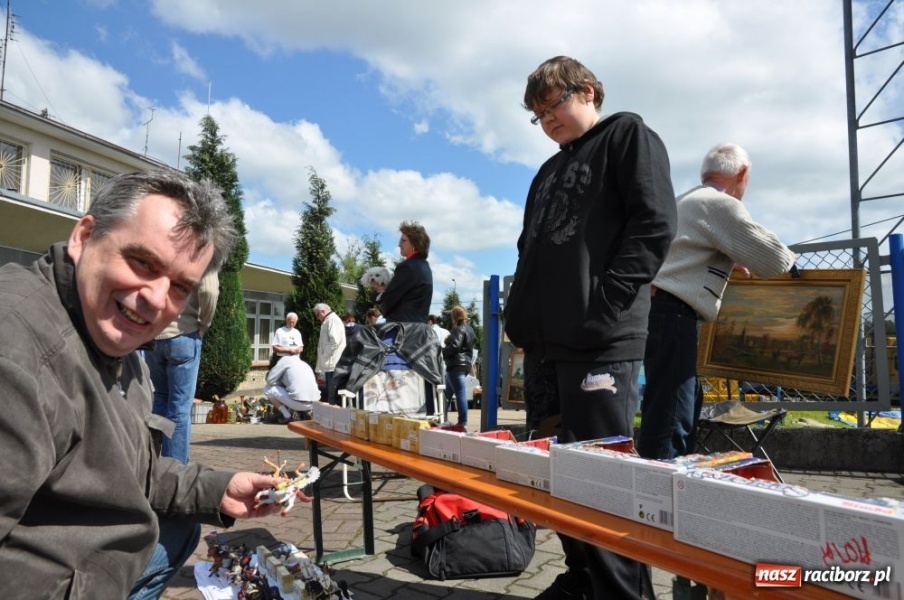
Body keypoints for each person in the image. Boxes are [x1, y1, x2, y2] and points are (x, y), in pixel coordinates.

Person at [0, 170, 308, 599]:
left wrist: (218, 489)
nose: (157, 299)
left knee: (181, 529)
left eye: (181, 286)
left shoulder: (116, 340)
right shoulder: (14, 349)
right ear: (85, 236)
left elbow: (130, 469)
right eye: (142, 262)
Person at [503, 56, 677, 600]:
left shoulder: (627, 134)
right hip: (546, 347)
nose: (546, 118)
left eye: (551, 103)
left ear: (587, 91)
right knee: (560, 478)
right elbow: (529, 247)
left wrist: (607, 304)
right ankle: (583, 580)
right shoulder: (547, 170)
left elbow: (655, 223)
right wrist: (522, 321)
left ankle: (623, 593)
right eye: (537, 113)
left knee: (605, 483)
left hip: (600, 340)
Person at [637, 143, 796, 460]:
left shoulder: (684, 200)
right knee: (673, 416)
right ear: (742, 173)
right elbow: (773, 260)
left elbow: (685, 251)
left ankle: (660, 482)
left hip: (649, 310)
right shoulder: (720, 204)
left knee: (673, 402)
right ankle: (661, 493)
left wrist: (725, 257)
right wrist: (793, 263)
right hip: (672, 314)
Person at [144, 269, 218, 464]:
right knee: (179, 407)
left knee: (159, 399)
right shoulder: (202, 247)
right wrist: (203, 325)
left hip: (154, 336)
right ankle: (175, 469)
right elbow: (209, 290)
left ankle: (151, 461)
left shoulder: (160, 245)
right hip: (184, 333)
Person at [378, 221, 433, 323]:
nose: (399, 244)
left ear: (415, 244)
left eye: (403, 240)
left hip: (401, 331)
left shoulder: (407, 267)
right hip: (419, 331)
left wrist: (383, 292)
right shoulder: (426, 267)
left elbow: (388, 301)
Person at [442, 305, 476, 427]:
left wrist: (443, 351)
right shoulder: (470, 329)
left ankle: (462, 422)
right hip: (465, 364)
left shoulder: (459, 329)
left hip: (455, 365)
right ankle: (442, 418)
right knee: (447, 394)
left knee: (459, 393)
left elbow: (455, 346)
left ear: (454, 316)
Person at [264, 355, 322, 422]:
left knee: (267, 389)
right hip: (314, 403)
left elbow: (270, 381)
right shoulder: (305, 365)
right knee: (293, 392)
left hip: (299, 403)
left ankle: (287, 415)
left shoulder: (285, 368)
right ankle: (308, 412)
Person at [313, 302, 346, 401]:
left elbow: (334, 341)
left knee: (332, 393)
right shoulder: (330, 320)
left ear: (322, 311)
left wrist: (324, 355)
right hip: (330, 362)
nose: (318, 318)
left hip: (332, 362)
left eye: (318, 315)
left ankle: (334, 413)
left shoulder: (332, 320)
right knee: (330, 392)